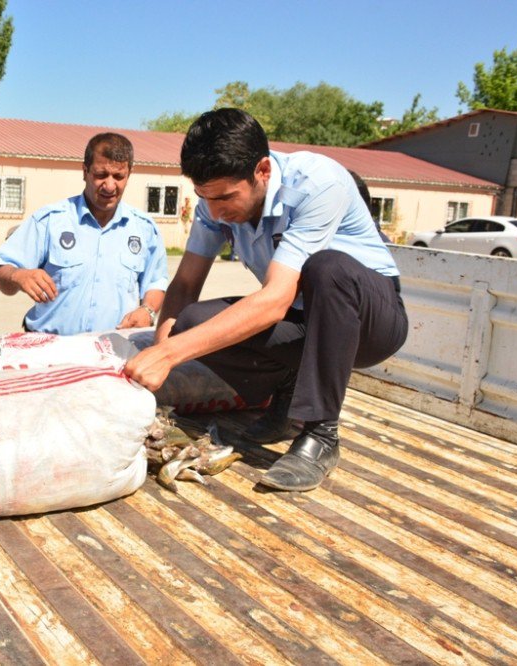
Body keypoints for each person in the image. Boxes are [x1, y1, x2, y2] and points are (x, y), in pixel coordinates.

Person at [124, 109, 408, 492]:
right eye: (204, 198)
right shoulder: (214, 205)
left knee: (326, 268)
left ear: (262, 171)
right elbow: (186, 284)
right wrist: (162, 358)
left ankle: (321, 434)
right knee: (190, 323)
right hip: (304, 320)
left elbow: (274, 300)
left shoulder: (317, 182)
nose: (214, 211)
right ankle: (288, 396)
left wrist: (168, 356)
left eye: (225, 197)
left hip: (371, 322)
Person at [0, 133, 168, 334]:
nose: (110, 186)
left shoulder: (144, 229)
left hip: (113, 351)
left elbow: (155, 282)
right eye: (101, 175)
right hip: (49, 349)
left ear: (129, 175)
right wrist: (17, 275)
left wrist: (148, 310)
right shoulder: (50, 221)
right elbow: (1, 275)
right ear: (85, 172)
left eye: (118, 177)